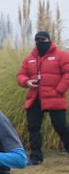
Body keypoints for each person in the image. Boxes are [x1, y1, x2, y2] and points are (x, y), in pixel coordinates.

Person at [17, 30, 69, 165]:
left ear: (49, 40)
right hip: (35, 97)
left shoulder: (61, 55)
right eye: (38, 41)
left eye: (43, 40)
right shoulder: (30, 59)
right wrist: (27, 82)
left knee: (60, 126)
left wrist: (59, 90)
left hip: (54, 97)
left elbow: (67, 73)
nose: (40, 43)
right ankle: (36, 157)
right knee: (33, 127)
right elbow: (21, 75)